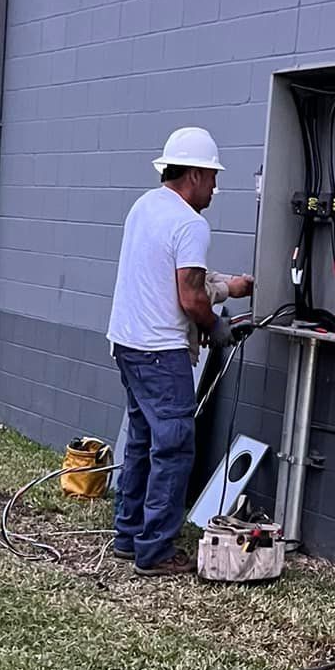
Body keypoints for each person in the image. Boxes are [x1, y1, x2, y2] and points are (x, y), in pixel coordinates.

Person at [106, 127, 253, 576]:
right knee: (174, 449)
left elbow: (167, 279)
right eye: (211, 178)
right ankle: (155, 552)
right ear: (193, 174)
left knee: (141, 441)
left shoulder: (145, 207)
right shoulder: (191, 223)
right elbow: (189, 298)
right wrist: (219, 327)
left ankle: (128, 537)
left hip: (127, 344)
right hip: (159, 352)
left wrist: (227, 287)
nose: (214, 188)